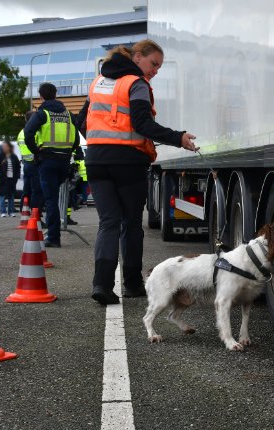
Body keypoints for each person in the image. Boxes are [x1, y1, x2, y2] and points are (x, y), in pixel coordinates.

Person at [78, 41, 197, 305]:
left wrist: (102, 144)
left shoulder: (98, 82)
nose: (155, 71)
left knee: (108, 222)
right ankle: (132, 284)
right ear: (138, 57)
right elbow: (143, 124)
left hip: (96, 161)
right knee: (131, 223)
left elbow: (81, 121)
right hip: (128, 163)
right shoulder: (136, 83)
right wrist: (179, 138)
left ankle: (102, 285)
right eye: (153, 64)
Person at [24, 83, 79, 247]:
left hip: (47, 160)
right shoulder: (68, 114)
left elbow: (28, 132)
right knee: (58, 197)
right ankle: (57, 229)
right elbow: (76, 139)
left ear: (41, 96)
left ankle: (54, 238)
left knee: (51, 200)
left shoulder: (42, 114)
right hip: (64, 161)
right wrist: (69, 150)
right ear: (56, 94)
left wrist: (36, 150)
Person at [17, 111, 43, 214]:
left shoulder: (21, 132)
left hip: (26, 164)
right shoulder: (35, 132)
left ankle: (24, 211)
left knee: (26, 190)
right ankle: (36, 215)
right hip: (34, 163)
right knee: (37, 190)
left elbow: (20, 146)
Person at [0, 140, 21, 217]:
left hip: (12, 180)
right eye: (3, 146)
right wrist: (0, 175)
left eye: (6, 146)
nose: (4, 147)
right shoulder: (0, 156)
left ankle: (11, 211)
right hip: (3, 179)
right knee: (2, 196)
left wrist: (16, 177)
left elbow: (18, 167)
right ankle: (3, 212)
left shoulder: (13, 156)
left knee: (11, 196)